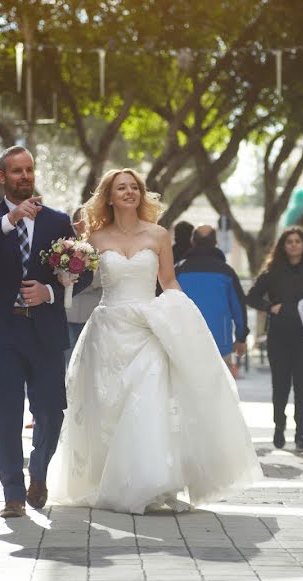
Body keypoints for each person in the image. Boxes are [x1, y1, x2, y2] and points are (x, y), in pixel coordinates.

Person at [49, 168, 260, 514]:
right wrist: (66, 275)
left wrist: (181, 311)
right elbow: (84, 280)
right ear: (110, 196)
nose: (130, 192)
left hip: (148, 327)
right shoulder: (96, 237)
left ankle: (152, 482)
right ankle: (107, 480)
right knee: (107, 405)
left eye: (135, 187)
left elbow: (168, 280)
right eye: (122, 187)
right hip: (107, 329)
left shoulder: (160, 235)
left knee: (147, 399)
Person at [0, 146, 92, 519]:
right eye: (16, 171)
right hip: (1, 330)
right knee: (6, 411)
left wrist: (50, 291)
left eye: (29, 169)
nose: (24, 176)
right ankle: (12, 494)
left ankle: (39, 473)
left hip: (45, 328)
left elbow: (84, 271)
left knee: (51, 410)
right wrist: (11, 218)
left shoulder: (57, 221)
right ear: (2, 177)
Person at [246, 227, 303, 453]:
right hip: (279, 336)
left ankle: (302, 435)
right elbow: (251, 297)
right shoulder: (271, 272)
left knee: (302, 386)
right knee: (280, 386)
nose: (293, 245)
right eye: (289, 241)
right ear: (283, 246)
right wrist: (269, 307)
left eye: (297, 241)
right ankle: (279, 426)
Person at [176, 224, 249, 376]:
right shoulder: (226, 272)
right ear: (216, 243)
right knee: (220, 393)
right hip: (220, 342)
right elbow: (239, 308)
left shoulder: (178, 271)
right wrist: (241, 337)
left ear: (193, 242)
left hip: (184, 343)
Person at [65, 207, 102, 366]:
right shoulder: (64, 248)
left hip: (91, 315)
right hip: (67, 314)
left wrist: (78, 283)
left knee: (89, 362)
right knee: (68, 363)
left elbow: (100, 280)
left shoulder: (100, 248)